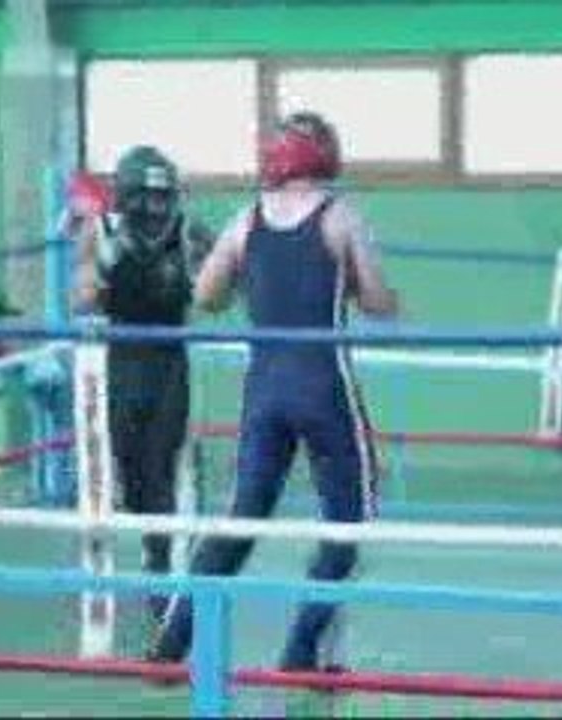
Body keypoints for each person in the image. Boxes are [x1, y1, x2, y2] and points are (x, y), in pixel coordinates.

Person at [148, 111, 399, 671]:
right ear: (324, 155)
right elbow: (379, 303)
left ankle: (170, 646)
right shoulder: (341, 218)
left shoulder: (245, 221)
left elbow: (205, 297)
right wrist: (361, 286)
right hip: (324, 386)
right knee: (349, 517)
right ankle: (300, 651)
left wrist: (256, 279)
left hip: (264, 392)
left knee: (243, 517)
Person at [68, 147, 215, 616]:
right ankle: (147, 534)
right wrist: (101, 269)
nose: (155, 207)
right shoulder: (100, 231)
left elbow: (219, 290)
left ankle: (159, 564)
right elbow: (81, 300)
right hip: (121, 357)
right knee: (128, 464)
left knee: (161, 464)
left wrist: (200, 276)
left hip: (169, 359)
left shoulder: (189, 230)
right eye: (146, 197)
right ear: (128, 196)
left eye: (161, 197)